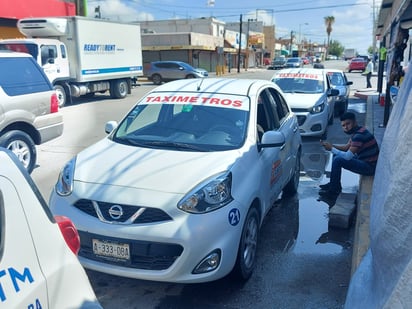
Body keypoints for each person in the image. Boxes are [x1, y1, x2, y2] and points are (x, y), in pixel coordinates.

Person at [319, 112, 379, 199]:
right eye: (343, 125)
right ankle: (334, 184)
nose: (346, 127)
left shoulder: (359, 136)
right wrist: (331, 146)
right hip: (365, 161)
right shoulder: (358, 131)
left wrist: (331, 149)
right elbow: (346, 148)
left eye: (348, 124)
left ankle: (333, 191)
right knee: (336, 156)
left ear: (354, 122)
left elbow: (348, 156)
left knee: (338, 160)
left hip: (370, 167)